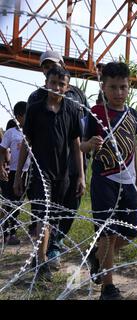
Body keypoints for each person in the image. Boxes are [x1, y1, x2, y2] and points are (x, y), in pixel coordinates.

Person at [81, 62, 137, 300]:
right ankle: (108, 287)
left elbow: (134, 147)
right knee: (108, 233)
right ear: (104, 87)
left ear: (129, 87)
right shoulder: (96, 113)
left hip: (127, 182)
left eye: (123, 87)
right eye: (113, 87)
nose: (118, 93)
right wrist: (89, 145)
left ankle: (97, 257)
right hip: (104, 180)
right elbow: (81, 144)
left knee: (130, 233)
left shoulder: (132, 114)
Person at [14, 66, 85, 281]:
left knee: (52, 217)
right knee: (42, 216)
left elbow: (76, 144)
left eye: (61, 84)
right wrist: (18, 175)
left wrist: (80, 175)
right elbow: (27, 144)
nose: (56, 87)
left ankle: (42, 256)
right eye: (53, 82)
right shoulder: (34, 109)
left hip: (62, 174)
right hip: (40, 172)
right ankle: (41, 262)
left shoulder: (71, 110)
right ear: (46, 83)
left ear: (67, 87)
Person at [27, 50, 90, 265]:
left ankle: (56, 242)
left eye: (52, 64)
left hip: (73, 162)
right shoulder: (36, 98)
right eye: (45, 67)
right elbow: (31, 136)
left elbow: (83, 129)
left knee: (68, 206)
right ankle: (44, 253)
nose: (48, 68)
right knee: (44, 209)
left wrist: (83, 165)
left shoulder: (77, 96)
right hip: (46, 163)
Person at [0, 102, 30, 246]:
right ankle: (8, 233)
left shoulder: (31, 131)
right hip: (12, 173)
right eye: (26, 115)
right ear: (18, 117)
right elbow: (2, 151)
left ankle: (13, 231)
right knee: (10, 203)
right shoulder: (11, 133)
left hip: (28, 172)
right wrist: (1, 168)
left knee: (19, 204)